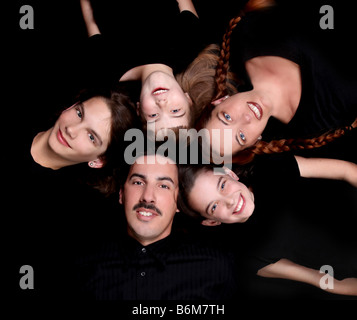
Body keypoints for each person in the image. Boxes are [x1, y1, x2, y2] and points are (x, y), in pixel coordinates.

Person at [187, 0, 357, 162]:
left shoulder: (244, 37)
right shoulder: (323, 120)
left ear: (220, 100)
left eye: (227, 117)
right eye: (241, 136)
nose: (246, 118)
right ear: (255, 142)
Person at [177, 148, 357, 296]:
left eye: (222, 185)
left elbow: (346, 171)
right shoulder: (247, 255)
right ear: (210, 222)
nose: (229, 201)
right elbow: (327, 281)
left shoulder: (270, 168)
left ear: (229, 172)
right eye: (214, 207)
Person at [75, 152, 239, 299]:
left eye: (163, 186)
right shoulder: (83, 267)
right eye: (138, 182)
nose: (148, 197)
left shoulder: (215, 268)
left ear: (177, 203)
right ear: (121, 194)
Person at [79, 0, 205, 134]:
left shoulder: (106, 69)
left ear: (138, 110)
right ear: (188, 99)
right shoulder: (190, 43)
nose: (162, 103)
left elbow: (89, 15)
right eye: (175, 110)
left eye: (154, 116)